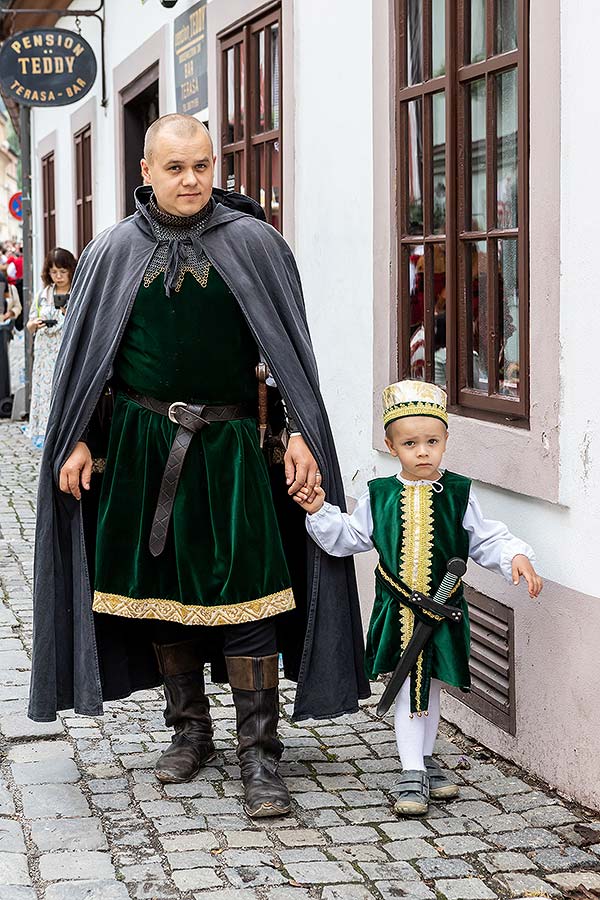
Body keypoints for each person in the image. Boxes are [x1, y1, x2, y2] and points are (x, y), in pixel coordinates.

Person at [29, 114, 368, 819]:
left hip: (232, 449)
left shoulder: (256, 245)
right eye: (176, 168)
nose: (191, 180)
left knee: (250, 601)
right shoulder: (111, 251)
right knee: (164, 598)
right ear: (146, 172)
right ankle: (189, 732)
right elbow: (93, 361)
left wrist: (301, 430)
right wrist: (81, 439)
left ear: (215, 167)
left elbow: (287, 352)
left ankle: (260, 756)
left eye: (202, 166)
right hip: (142, 448)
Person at [294, 380, 543, 817]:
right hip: (399, 610)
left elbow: (485, 540)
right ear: (392, 446)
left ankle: (424, 761)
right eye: (411, 443)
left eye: (432, 441)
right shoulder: (379, 494)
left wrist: (516, 555)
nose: (423, 451)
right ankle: (412, 770)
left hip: (444, 611)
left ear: (446, 440)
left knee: (430, 684)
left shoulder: (459, 493)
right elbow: (351, 537)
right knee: (410, 685)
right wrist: (320, 512)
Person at [25, 248, 76, 448]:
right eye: (54, 272)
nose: (59, 276)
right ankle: (46, 434)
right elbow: (28, 324)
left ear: (71, 270)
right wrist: (35, 323)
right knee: (45, 392)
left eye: (63, 271)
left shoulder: (78, 292)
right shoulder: (43, 295)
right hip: (45, 354)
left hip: (65, 351)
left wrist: (67, 311)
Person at [0, 273, 22, 414]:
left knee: (3, 364)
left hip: (4, 330)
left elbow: (18, 307)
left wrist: (10, 314)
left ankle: (3, 397)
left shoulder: (12, 288)